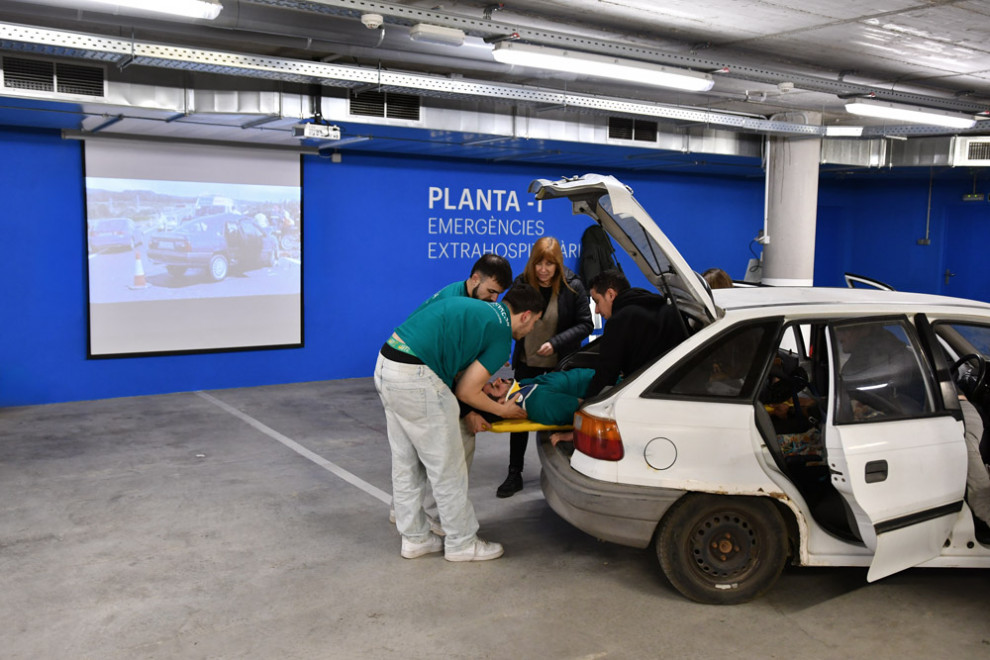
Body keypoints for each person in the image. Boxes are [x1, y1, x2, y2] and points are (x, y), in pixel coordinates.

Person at [375, 284, 545, 562]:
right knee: (449, 467)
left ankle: (415, 539)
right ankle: (462, 543)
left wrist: (468, 409)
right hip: (417, 377)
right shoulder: (502, 335)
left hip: (387, 364)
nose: (531, 330)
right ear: (526, 315)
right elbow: (468, 390)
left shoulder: (479, 309)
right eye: (535, 322)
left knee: (406, 462)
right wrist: (502, 412)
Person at [497, 237, 593, 498]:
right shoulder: (522, 282)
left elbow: (587, 324)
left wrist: (556, 342)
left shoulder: (573, 286)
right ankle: (514, 473)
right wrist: (502, 370)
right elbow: (505, 321)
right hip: (525, 363)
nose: (543, 269)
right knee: (516, 416)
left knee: (560, 418)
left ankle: (563, 473)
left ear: (558, 263)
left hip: (559, 367)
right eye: (538, 262)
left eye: (549, 264)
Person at [585, 269, 689, 398]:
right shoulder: (669, 311)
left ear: (610, 294)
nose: (596, 310)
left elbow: (606, 375)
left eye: (597, 301)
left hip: (645, 399)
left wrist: (586, 403)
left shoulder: (618, 322)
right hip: (683, 393)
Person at [411, 253, 513, 314]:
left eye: (498, 293)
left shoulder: (468, 297)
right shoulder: (452, 304)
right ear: (475, 279)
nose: (494, 299)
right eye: (491, 291)